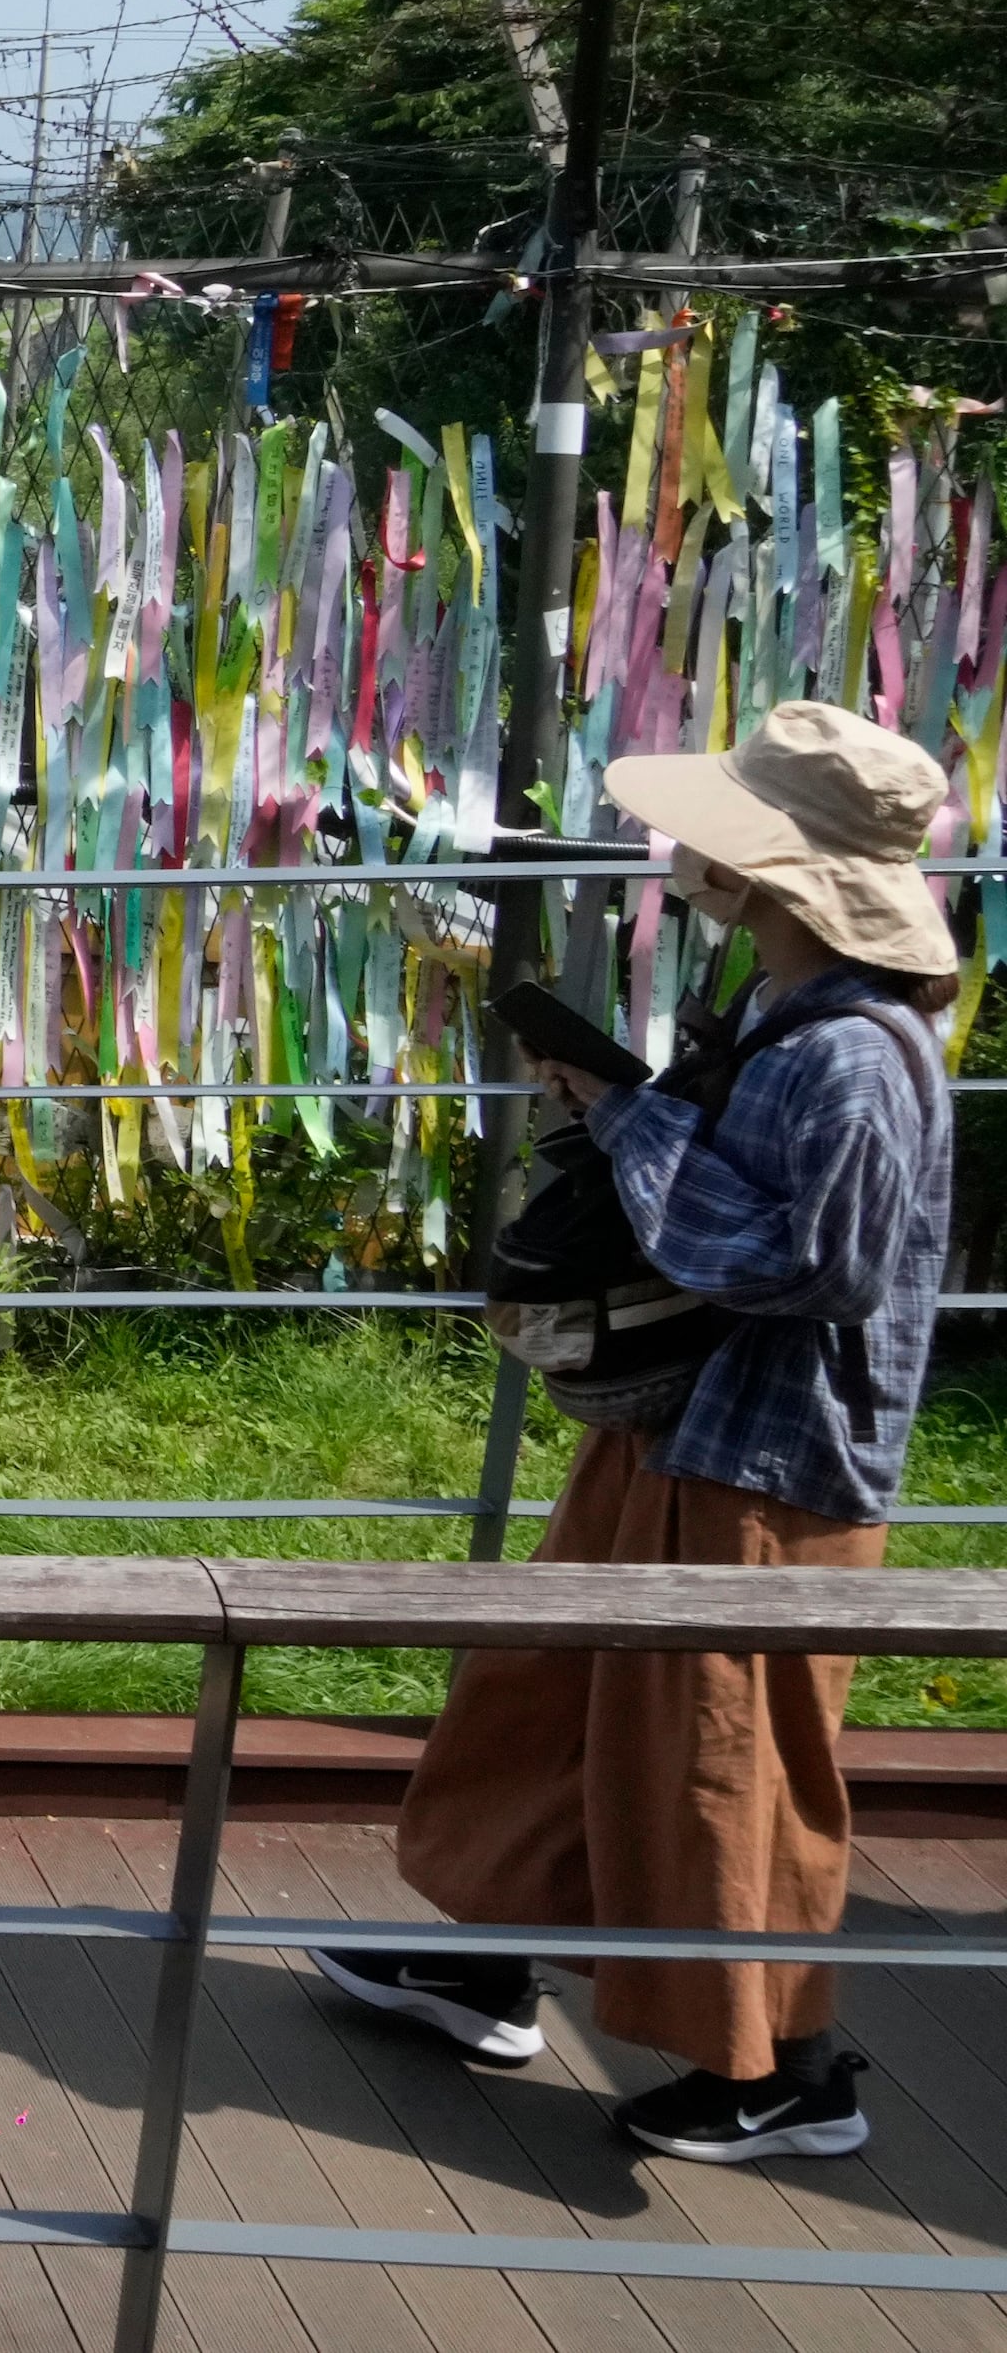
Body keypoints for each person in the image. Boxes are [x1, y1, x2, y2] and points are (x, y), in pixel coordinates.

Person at [318, 702, 957, 2166]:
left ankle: (778, 2068)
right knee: (562, 1700)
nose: (694, 858)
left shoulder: (850, 1054)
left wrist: (626, 1118)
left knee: (723, 1761)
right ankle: (494, 1952)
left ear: (780, 875)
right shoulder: (791, 1018)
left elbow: (806, 1261)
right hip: (702, 1430)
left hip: (770, 1460)